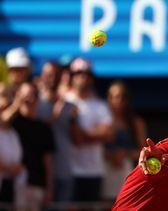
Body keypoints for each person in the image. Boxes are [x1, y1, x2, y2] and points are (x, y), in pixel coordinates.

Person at [65, 57, 113, 205]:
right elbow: (76, 140)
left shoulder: (100, 105)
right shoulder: (64, 102)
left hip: (94, 171)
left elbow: (108, 134)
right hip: (69, 171)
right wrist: (94, 134)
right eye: (78, 73)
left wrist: (81, 133)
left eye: (86, 74)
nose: (83, 77)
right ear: (71, 77)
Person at [1, 82, 56, 211]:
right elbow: (2, 120)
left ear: (38, 99)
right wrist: (16, 104)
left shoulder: (44, 128)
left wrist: (49, 188)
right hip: (13, 185)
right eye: (24, 96)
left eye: (32, 96)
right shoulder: (12, 123)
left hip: (37, 185)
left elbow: (48, 161)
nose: (28, 100)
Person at [37, 61, 78, 204]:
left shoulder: (69, 106)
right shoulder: (35, 104)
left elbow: (76, 139)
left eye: (56, 75)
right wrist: (55, 114)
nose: (53, 78)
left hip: (65, 171)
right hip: (40, 174)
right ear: (42, 76)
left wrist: (74, 121)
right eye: (49, 75)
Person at [102, 80, 147, 202]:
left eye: (123, 97)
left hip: (127, 173)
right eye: (115, 97)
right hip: (103, 171)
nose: (119, 101)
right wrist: (110, 156)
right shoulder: (101, 121)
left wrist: (125, 154)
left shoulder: (136, 123)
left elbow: (143, 151)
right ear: (109, 98)